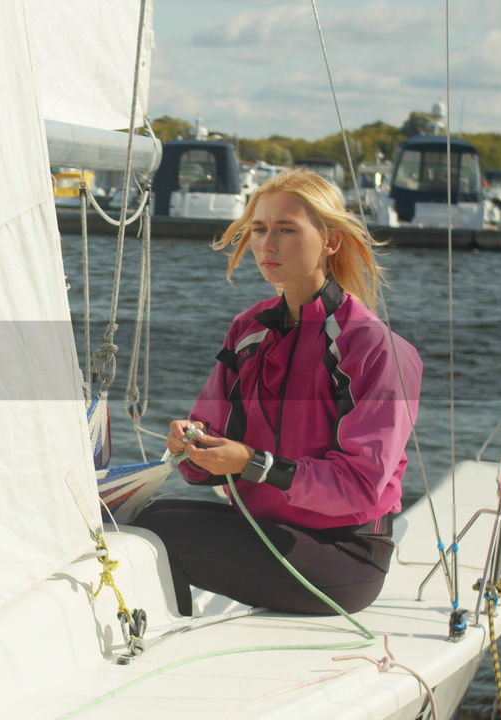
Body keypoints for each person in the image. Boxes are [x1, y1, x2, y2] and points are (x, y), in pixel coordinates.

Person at [132, 168, 422, 616]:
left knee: (166, 533)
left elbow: (361, 488)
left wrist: (254, 464)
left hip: (343, 557)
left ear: (330, 241)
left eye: (286, 230)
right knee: (142, 518)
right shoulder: (249, 329)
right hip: (265, 530)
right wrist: (192, 445)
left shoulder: (373, 347)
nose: (267, 245)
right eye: (259, 229)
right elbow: (207, 458)